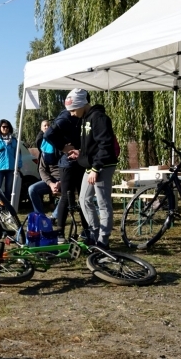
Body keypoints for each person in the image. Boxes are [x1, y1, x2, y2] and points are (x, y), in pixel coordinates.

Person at [62, 89, 118, 249]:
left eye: (73, 110)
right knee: (84, 200)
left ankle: (103, 241)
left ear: (81, 105)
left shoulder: (99, 118)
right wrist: (81, 153)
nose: (72, 114)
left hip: (102, 166)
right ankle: (94, 234)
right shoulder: (85, 118)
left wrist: (96, 168)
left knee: (103, 203)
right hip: (91, 165)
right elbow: (92, 145)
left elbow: (105, 145)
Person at [44, 98, 89, 240]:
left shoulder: (82, 116)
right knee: (66, 197)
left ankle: (87, 230)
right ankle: (60, 233)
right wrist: (63, 147)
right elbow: (48, 134)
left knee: (83, 197)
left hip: (81, 161)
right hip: (68, 163)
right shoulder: (65, 117)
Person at [0, 119, 23, 202]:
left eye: (7, 127)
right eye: (3, 127)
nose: (5, 128)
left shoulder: (14, 140)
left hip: (11, 169)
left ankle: (7, 208)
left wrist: (18, 166)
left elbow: (18, 154)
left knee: (9, 189)